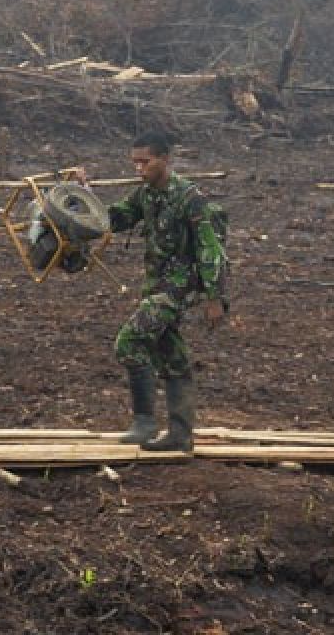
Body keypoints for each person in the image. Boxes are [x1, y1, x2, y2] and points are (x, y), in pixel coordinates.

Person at [78, 131, 226, 453]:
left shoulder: (191, 200)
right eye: (135, 163)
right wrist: (83, 195)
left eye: (145, 162)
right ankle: (180, 434)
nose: (139, 169)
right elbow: (111, 220)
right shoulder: (145, 196)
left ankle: (145, 422)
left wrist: (215, 297)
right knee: (172, 358)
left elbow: (211, 250)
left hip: (177, 289)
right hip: (155, 287)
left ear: (165, 159)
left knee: (129, 341)